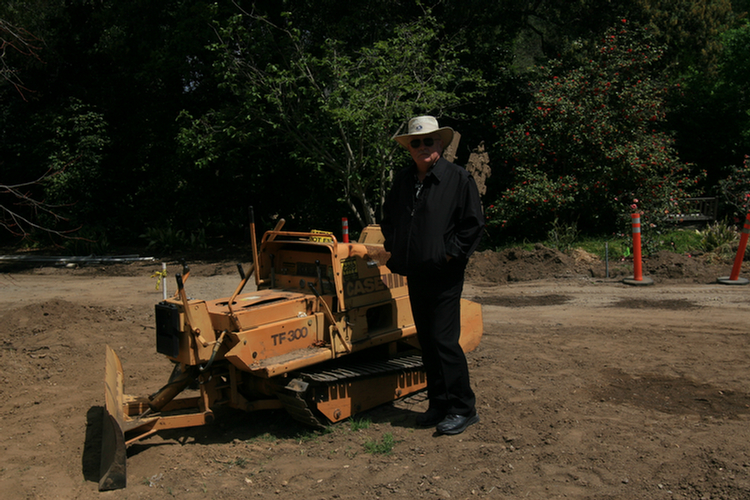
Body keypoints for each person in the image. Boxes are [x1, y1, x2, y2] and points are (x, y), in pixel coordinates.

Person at [381, 115, 484, 435]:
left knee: (443, 340)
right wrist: (395, 248)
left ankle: (463, 408)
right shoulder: (403, 180)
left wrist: (448, 254)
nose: (422, 147)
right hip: (415, 272)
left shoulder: (458, 179)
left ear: (440, 144)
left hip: (444, 274)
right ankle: (439, 404)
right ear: (409, 148)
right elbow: (390, 219)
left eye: (429, 141)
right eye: (416, 142)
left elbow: (472, 224)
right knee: (426, 342)